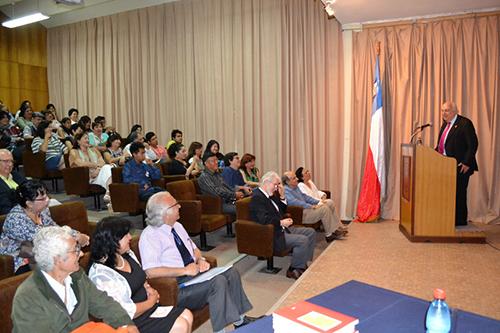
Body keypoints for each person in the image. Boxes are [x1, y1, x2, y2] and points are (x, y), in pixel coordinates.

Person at [139, 192, 260, 333]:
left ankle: (240, 321)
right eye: (175, 204)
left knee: (231, 272)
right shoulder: (150, 236)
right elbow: (151, 271)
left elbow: (194, 249)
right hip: (177, 285)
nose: (179, 206)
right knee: (218, 282)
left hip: (194, 274)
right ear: (165, 212)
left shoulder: (177, 226)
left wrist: (200, 259)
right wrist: (184, 270)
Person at [11, 225, 139, 333]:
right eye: (76, 250)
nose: (82, 254)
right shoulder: (28, 297)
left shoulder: (77, 276)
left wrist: (126, 324)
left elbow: (104, 303)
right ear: (57, 259)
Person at [88, 217, 193, 333]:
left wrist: (149, 288)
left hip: (149, 308)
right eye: (125, 235)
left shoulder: (127, 254)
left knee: (187, 315)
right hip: (131, 320)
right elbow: (123, 311)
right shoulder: (102, 274)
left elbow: (141, 277)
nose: (130, 237)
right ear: (113, 240)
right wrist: (150, 302)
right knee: (180, 325)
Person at [0, 181, 89, 275]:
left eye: (47, 196)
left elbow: (54, 227)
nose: (47, 200)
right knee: (65, 261)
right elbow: (44, 238)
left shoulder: (42, 210)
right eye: (42, 199)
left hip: (42, 253)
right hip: (19, 260)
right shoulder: (15, 220)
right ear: (29, 203)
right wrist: (76, 238)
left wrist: (77, 235)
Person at [249, 171, 316, 280]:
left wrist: (283, 196)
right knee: (302, 240)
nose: (277, 187)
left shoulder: (271, 194)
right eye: (275, 185)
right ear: (266, 182)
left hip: (282, 228)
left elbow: (281, 211)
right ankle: (293, 269)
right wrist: (280, 222)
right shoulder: (257, 197)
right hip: (272, 233)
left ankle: (302, 263)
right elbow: (264, 219)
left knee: (310, 232)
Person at [435, 101, 478, 226]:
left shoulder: (465, 124)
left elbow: (473, 144)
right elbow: (441, 145)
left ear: (454, 111)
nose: (443, 113)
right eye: (442, 110)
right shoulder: (445, 124)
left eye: (446, 110)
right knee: (447, 194)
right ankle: (448, 219)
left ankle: (460, 222)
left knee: (459, 194)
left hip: (460, 166)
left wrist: (466, 162)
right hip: (445, 166)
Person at [282, 171, 347, 243]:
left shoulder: (295, 187)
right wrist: (310, 206)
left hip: (307, 209)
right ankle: (329, 235)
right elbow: (295, 202)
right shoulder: (286, 190)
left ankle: (337, 227)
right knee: (324, 209)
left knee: (329, 202)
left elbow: (305, 197)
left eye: (296, 177)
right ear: (288, 182)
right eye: (294, 178)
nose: (297, 179)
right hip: (301, 213)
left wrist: (318, 202)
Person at [69, 132, 113, 201]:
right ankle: (110, 193)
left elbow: (102, 162)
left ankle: (108, 193)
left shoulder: (94, 149)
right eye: (85, 138)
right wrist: (95, 166)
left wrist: (97, 170)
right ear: (78, 141)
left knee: (108, 167)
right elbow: (80, 164)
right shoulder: (74, 151)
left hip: (98, 174)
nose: (88, 140)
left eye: (88, 138)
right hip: (86, 178)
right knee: (108, 169)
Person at [0, 149, 26, 214]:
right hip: (13, 215)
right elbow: (5, 209)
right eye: (6, 161)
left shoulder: (15, 175)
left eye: (11, 161)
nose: (10, 164)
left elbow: (30, 187)